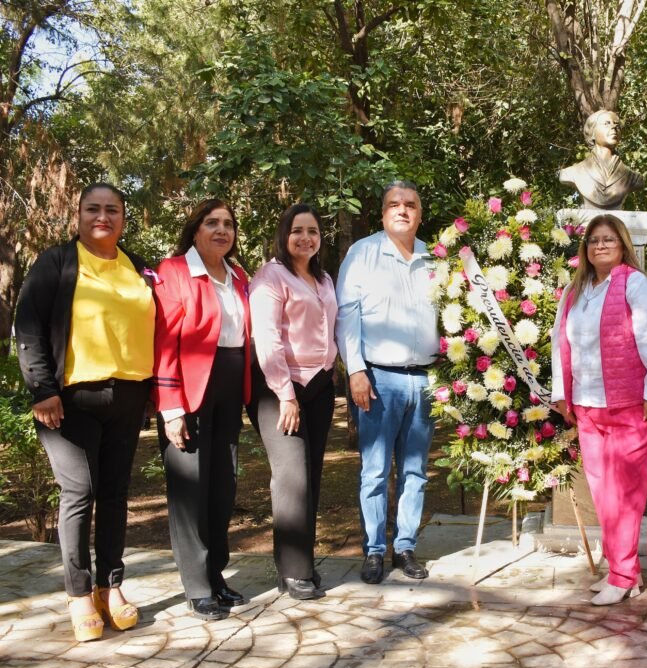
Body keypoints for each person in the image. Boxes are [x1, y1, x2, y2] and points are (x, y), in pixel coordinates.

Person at [15, 183, 154, 641]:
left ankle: (109, 586)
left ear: (124, 219)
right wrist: (42, 389)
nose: (103, 216)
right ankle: (78, 593)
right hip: (70, 400)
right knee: (79, 491)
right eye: (93, 208)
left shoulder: (137, 267)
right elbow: (29, 325)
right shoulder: (57, 262)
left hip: (128, 396)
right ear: (77, 215)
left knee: (115, 493)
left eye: (112, 210)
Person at [551, 214, 647, 606]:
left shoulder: (638, 285)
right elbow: (559, 344)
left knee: (625, 496)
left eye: (608, 239)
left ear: (622, 245)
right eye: (594, 240)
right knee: (604, 495)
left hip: (630, 407)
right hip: (588, 406)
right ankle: (622, 571)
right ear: (585, 248)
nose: (600, 245)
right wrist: (562, 394)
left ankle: (622, 576)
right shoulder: (575, 292)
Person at [152, 199, 251, 621]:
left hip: (230, 390)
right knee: (190, 490)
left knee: (222, 487)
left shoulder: (239, 275)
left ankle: (216, 575)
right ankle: (197, 587)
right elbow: (162, 341)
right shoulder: (173, 271)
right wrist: (170, 407)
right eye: (212, 222)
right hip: (189, 393)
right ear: (195, 230)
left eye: (228, 223)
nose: (221, 230)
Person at [336, 181, 439, 584]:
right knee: (375, 471)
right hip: (378, 379)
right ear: (382, 214)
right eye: (394, 204)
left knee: (415, 471)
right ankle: (375, 550)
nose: (402, 210)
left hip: (425, 379)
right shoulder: (363, 254)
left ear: (419, 214)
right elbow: (347, 316)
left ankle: (406, 547)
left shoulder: (435, 258)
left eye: (410, 204)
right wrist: (355, 371)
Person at [250, 204, 338, 600]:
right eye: (297, 230)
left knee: (311, 476)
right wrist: (285, 394)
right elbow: (267, 339)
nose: (305, 238)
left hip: (319, 386)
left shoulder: (324, 278)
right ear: (284, 235)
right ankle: (293, 572)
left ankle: (299, 563)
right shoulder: (271, 276)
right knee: (292, 477)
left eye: (312, 231)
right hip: (280, 389)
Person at [558, 109, 644, 210]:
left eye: (617, 125)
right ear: (592, 133)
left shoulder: (633, 178)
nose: (614, 127)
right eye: (607, 123)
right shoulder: (573, 173)